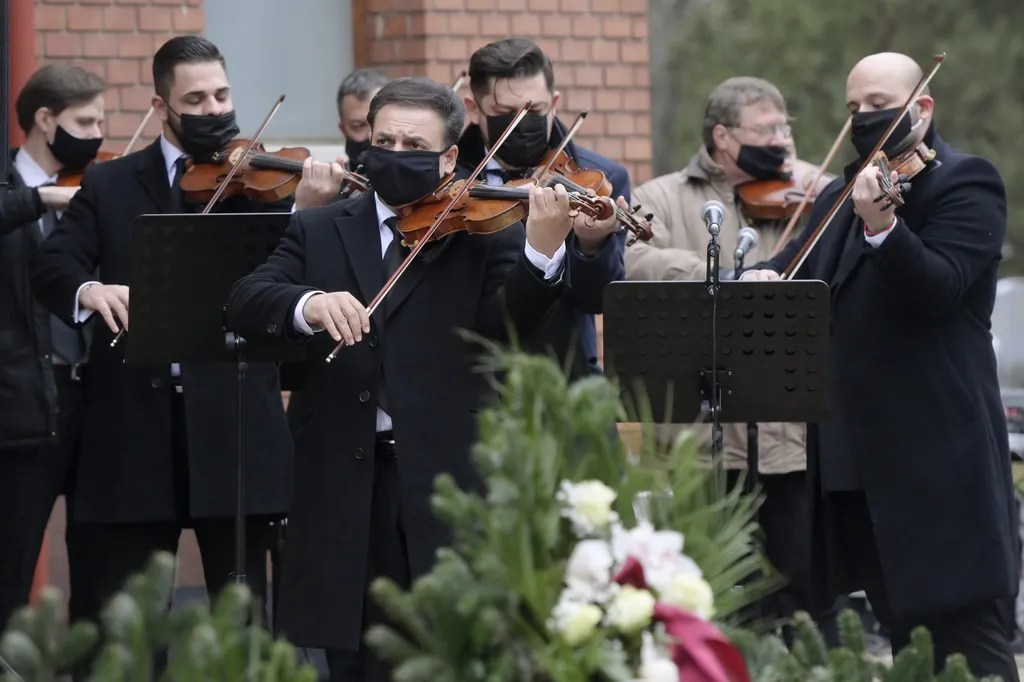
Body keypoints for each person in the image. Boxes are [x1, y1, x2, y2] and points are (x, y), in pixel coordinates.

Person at [226, 76, 572, 682]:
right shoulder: (319, 227)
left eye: (412, 143)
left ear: (447, 157)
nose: (392, 151)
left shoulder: (482, 232)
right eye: (382, 138)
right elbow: (247, 299)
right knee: (355, 661)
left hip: (447, 483)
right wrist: (306, 305)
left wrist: (544, 254)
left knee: (458, 655)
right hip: (341, 487)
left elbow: (509, 329)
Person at [742, 52, 1019, 680]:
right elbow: (798, 272)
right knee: (905, 640)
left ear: (921, 107)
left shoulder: (964, 182)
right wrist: (765, 276)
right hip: (857, 466)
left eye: (877, 105)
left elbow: (940, 288)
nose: (863, 119)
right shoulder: (841, 194)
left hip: (937, 464)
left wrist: (885, 226)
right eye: (853, 108)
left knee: (966, 641)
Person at [30, 36, 294, 635]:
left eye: (222, 95)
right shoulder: (110, 184)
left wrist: (311, 204)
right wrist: (87, 291)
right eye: (195, 98)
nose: (213, 110)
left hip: (231, 428)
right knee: (124, 628)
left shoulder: (259, 184)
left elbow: (296, 266)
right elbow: (53, 264)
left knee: (241, 625)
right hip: (131, 432)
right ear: (161, 106)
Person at [624, 77, 814, 635]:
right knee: (710, 599)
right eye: (767, 129)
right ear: (723, 137)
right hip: (699, 441)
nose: (780, 140)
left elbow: (848, 230)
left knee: (800, 595)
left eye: (785, 128)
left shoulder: (804, 191)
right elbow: (628, 258)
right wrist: (717, 275)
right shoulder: (661, 196)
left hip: (789, 438)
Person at [0, 63, 106, 631]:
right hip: (22, 405)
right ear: (45, 120)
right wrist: (41, 200)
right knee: (11, 565)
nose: (97, 134)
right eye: (85, 121)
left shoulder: (95, 190)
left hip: (91, 399)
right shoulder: (13, 189)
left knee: (98, 567)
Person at [458, 38, 629, 379]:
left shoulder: (600, 179)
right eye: (504, 114)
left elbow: (596, 301)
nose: (520, 124)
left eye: (533, 112)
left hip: (564, 381)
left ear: (554, 104)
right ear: (474, 109)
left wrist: (591, 246)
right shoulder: (450, 183)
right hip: (470, 384)